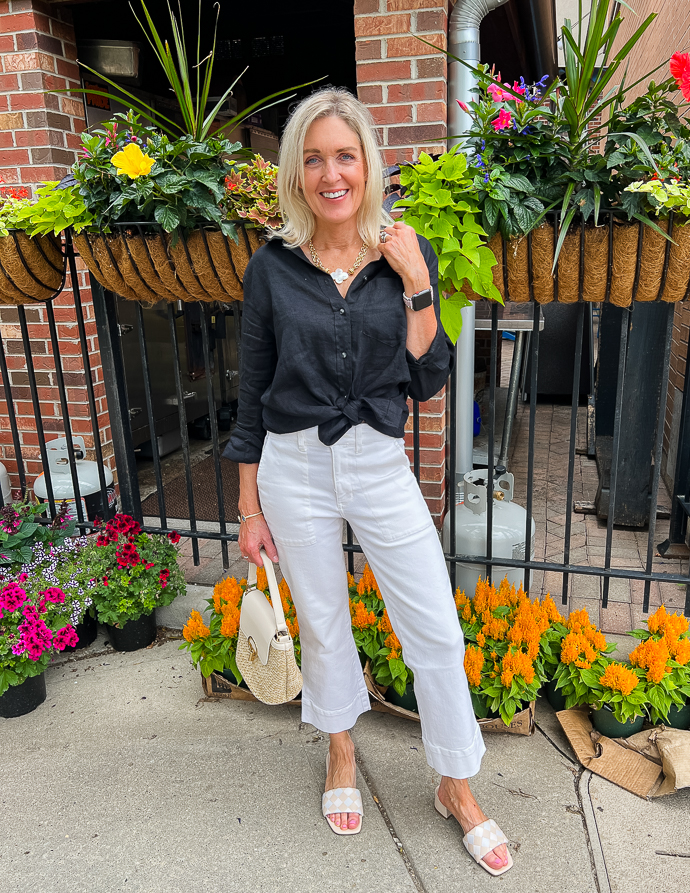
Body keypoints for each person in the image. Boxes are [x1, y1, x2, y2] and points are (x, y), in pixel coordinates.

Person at [223, 88, 512, 877]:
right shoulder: (272, 267)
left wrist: (418, 279)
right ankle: (341, 751)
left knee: (437, 632)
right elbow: (251, 392)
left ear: (367, 164)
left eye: (343, 155)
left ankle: (455, 784)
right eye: (312, 158)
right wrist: (249, 505)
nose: (329, 173)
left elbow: (430, 379)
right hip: (294, 466)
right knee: (323, 624)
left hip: (380, 466)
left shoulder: (399, 255)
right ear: (296, 172)